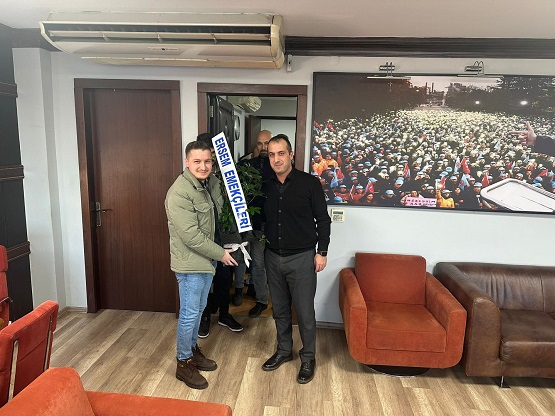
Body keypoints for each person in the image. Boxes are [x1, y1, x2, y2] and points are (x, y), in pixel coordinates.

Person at [165, 140, 238, 390]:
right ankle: (183, 362)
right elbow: (191, 236)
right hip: (190, 264)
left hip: (205, 260)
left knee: (198, 309)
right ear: (187, 162)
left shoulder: (207, 184)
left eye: (207, 161)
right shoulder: (180, 192)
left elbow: (217, 215)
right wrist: (221, 254)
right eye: (197, 161)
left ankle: (192, 350)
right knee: (189, 314)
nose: (203, 166)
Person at [261, 134, 331, 384]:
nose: (276, 159)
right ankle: (283, 350)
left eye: (281, 153)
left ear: (291, 155)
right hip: (272, 257)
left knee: (304, 312)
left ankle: (308, 357)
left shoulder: (309, 183)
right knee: (280, 310)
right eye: (272, 154)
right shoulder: (265, 185)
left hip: (302, 259)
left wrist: (322, 252)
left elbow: (323, 219)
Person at [195, 133, 244, 338]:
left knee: (224, 278)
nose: (211, 160)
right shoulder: (192, 181)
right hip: (203, 241)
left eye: (214, 155)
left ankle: (224, 314)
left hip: (223, 238)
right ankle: (205, 317)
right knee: (205, 281)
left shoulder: (219, 179)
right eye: (209, 154)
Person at [238, 130, 273, 317]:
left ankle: (281, 301)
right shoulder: (247, 166)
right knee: (258, 264)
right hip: (256, 224)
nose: (263, 147)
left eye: (267, 143)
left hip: (277, 225)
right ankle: (261, 300)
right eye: (260, 143)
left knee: (278, 264)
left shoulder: (281, 166)